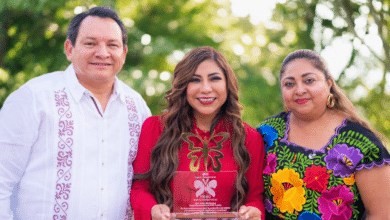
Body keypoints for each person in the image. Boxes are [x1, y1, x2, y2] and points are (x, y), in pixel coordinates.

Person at [0, 7, 151, 219]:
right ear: (69, 49)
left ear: (123, 53)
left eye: (112, 45)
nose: (102, 53)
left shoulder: (137, 107)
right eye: (90, 43)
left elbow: (145, 182)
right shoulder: (34, 98)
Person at [131, 46, 265, 220]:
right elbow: (139, 189)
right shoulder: (155, 128)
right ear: (183, 85)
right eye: (195, 80)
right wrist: (153, 209)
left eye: (214, 78)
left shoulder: (249, 137)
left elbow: (255, 198)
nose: (206, 88)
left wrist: (253, 211)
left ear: (228, 84)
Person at [257, 49, 390, 220]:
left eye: (309, 80)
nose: (299, 90)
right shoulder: (267, 133)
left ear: (329, 84)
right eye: (289, 84)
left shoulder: (360, 142)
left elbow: (382, 214)